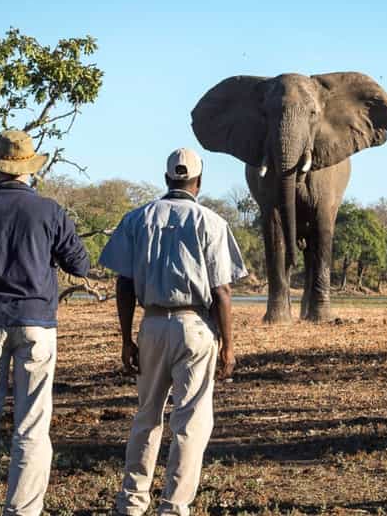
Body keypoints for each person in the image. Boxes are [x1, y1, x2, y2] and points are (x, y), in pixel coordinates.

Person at [0, 130, 90, 515]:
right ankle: (23, 510)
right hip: (36, 323)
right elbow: (80, 263)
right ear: (30, 168)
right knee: (32, 424)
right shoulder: (49, 210)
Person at [100, 147, 247, 516]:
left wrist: (126, 339)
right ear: (199, 180)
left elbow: (123, 284)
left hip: (151, 323)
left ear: (167, 179)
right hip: (195, 326)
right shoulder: (211, 223)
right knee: (191, 420)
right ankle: (174, 505)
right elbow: (222, 292)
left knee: (146, 414)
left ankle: (132, 502)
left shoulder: (138, 219)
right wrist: (229, 345)